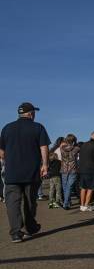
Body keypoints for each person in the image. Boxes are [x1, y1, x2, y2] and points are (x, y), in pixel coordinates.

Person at [0, 102, 51, 242]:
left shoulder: (7, 128)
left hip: (12, 173)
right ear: (30, 114)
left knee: (12, 203)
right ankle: (30, 227)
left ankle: (16, 232)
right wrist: (45, 165)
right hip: (31, 172)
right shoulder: (38, 127)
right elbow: (44, 147)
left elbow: (1, 153)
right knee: (30, 201)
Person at [78, 131, 94, 211]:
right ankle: (86, 205)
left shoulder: (84, 145)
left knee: (83, 188)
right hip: (91, 169)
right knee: (90, 188)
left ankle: (82, 206)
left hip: (82, 169)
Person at [60, 134, 79, 210]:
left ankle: (67, 202)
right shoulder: (76, 148)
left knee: (65, 187)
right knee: (69, 187)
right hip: (73, 169)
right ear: (74, 141)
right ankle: (66, 204)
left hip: (63, 169)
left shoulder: (62, 148)